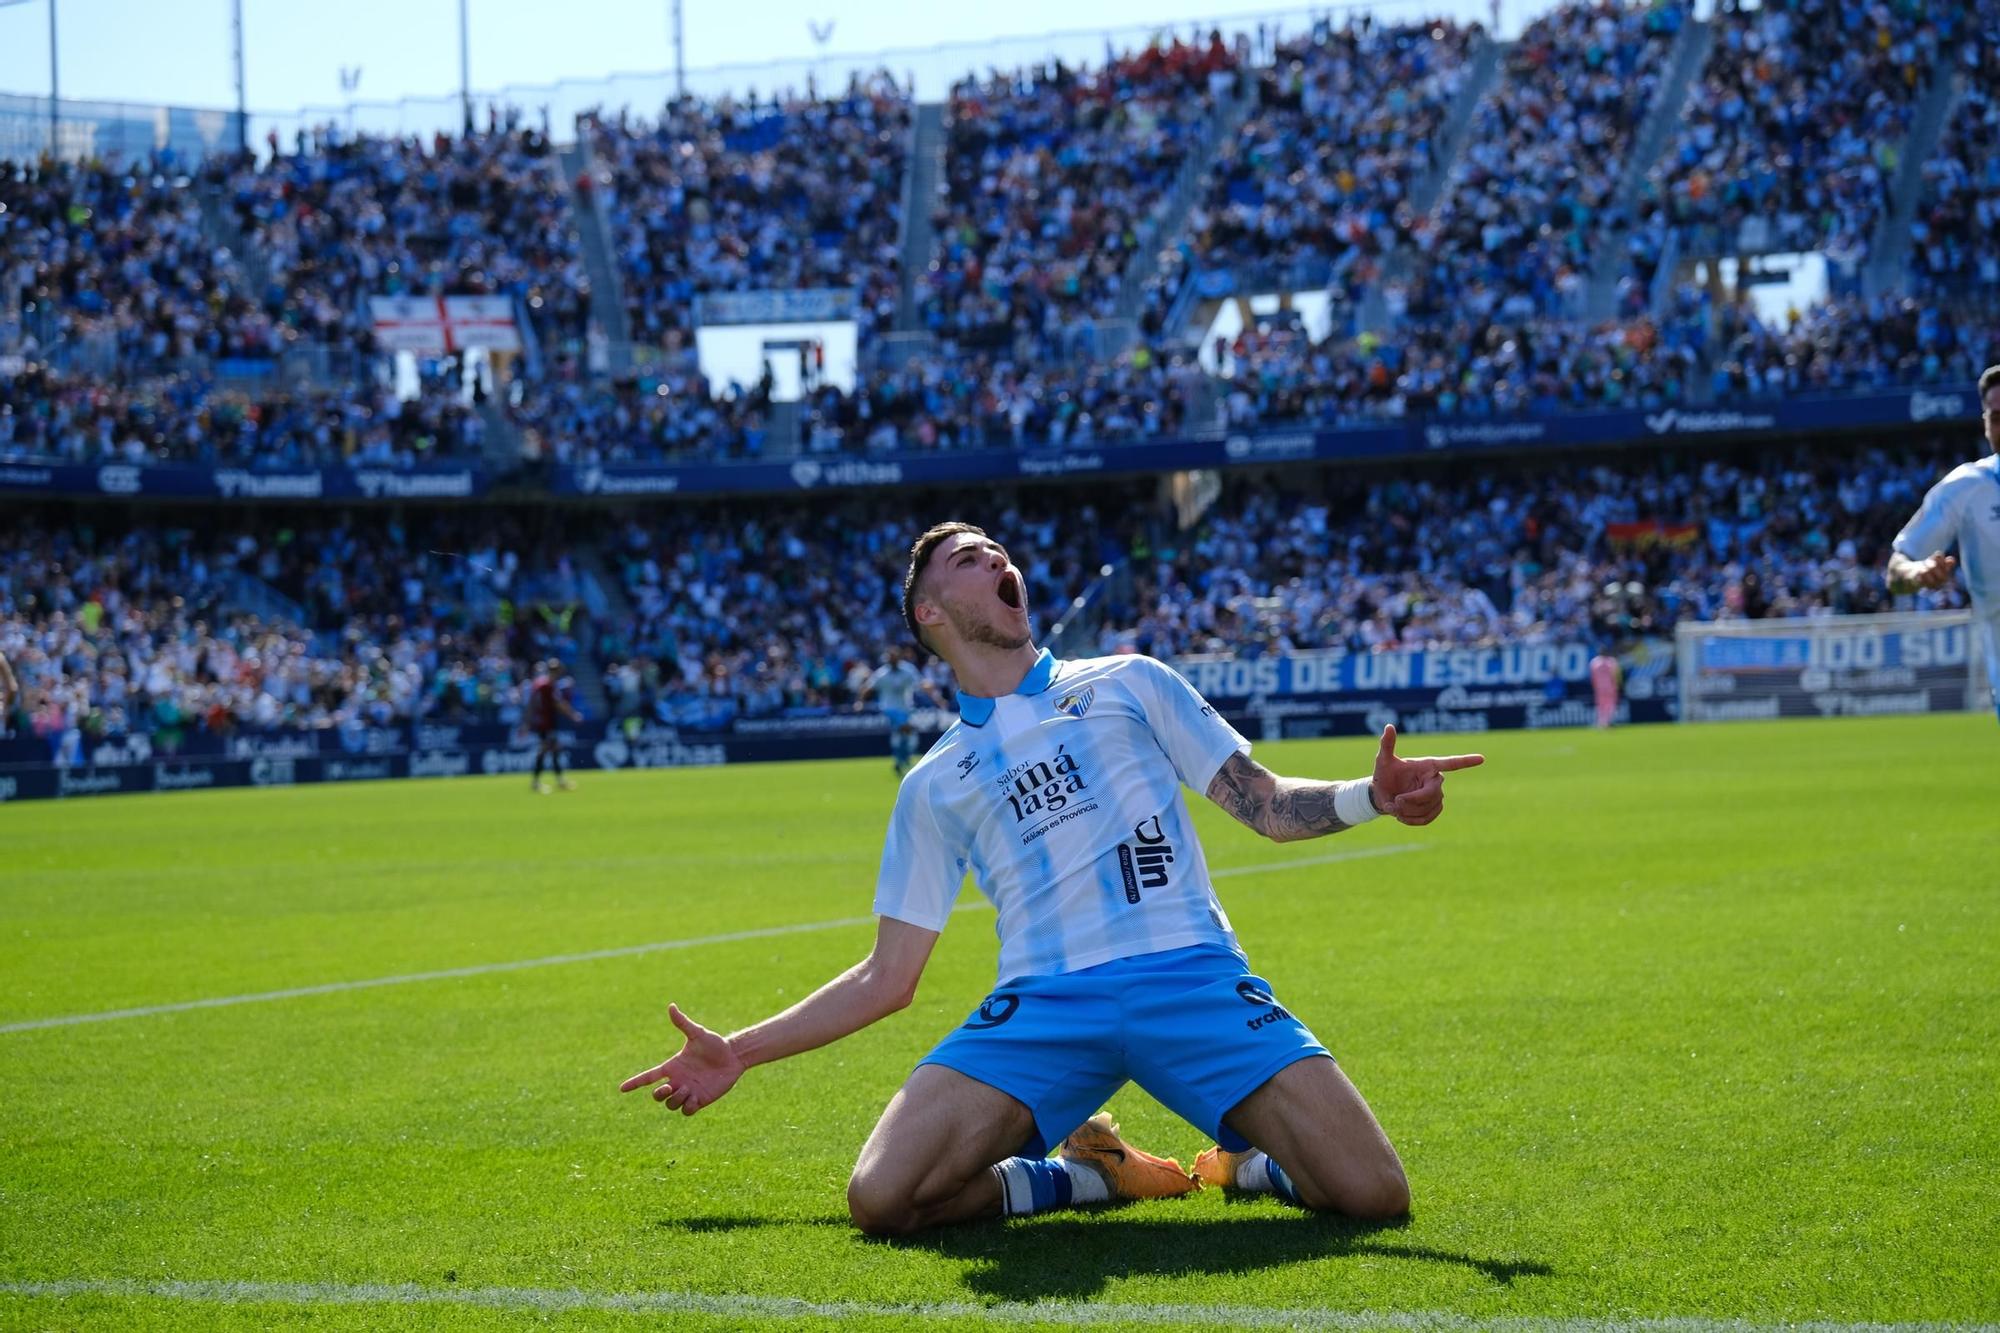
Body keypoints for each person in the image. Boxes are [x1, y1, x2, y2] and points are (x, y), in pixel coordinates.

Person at [621, 522, 1485, 1234]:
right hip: (1043, 1007)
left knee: (1375, 1194)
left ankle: (1249, 1164)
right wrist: (739, 1050)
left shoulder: (1130, 682)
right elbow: (888, 977)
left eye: (998, 550)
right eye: (969, 558)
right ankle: (1089, 1175)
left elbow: (1263, 805)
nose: (997, 558)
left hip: (1187, 973)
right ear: (930, 612)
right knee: (884, 1197)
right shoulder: (934, 782)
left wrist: (1371, 796)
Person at [1885, 366, 2000, 720]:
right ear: (1984, 422)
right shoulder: (1966, 487)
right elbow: (1895, 571)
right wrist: (1919, 573)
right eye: (1997, 416)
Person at [855, 647, 945, 775]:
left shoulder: (907, 670)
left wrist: (938, 698)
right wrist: (860, 702)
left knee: (903, 735)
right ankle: (902, 759)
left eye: (893, 657)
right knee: (905, 728)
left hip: (906, 708)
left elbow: (921, 684)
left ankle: (901, 760)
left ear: (898, 658)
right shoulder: (882, 674)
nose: (891, 660)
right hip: (889, 709)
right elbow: (867, 688)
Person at [527, 659, 582, 793]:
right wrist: (573, 714)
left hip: (542, 722)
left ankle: (559, 781)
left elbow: (532, 703)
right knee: (544, 750)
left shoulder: (540, 683)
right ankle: (536, 783)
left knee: (555, 750)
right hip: (546, 723)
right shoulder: (548, 686)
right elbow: (558, 704)